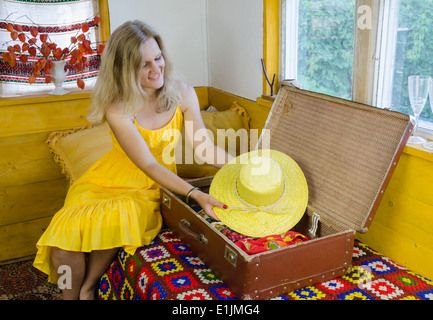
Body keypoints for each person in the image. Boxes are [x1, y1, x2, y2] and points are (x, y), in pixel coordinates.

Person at [33, 20, 232, 300]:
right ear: (124, 70)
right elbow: (147, 162)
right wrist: (194, 193)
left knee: (117, 219)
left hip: (146, 189)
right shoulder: (118, 106)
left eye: (158, 58)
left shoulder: (183, 93)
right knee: (63, 248)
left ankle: (88, 287)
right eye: (144, 64)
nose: (156, 69)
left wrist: (241, 164)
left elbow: (204, 149)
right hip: (104, 181)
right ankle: (69, 295)